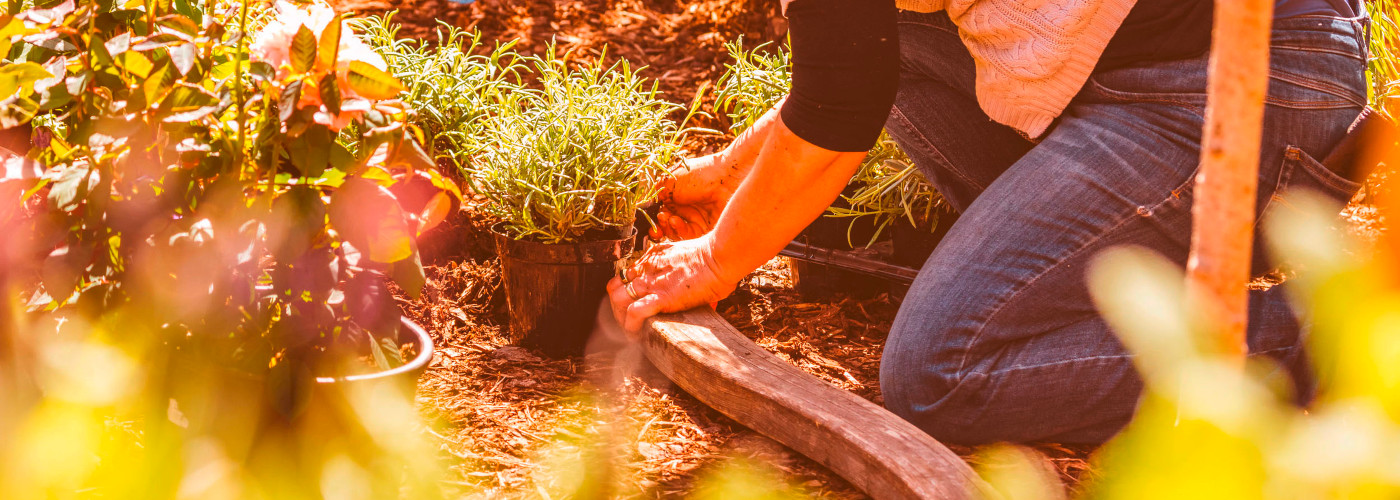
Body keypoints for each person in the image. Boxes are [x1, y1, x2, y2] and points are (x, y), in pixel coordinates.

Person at [607, 0, 1371, 445]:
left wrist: (714, 260)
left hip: (1238, 87)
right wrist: (732, 175)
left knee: (942, 372)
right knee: (903, 39)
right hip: (1171, 65)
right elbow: (853, 69)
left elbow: (834, 122)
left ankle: (1342, 331)